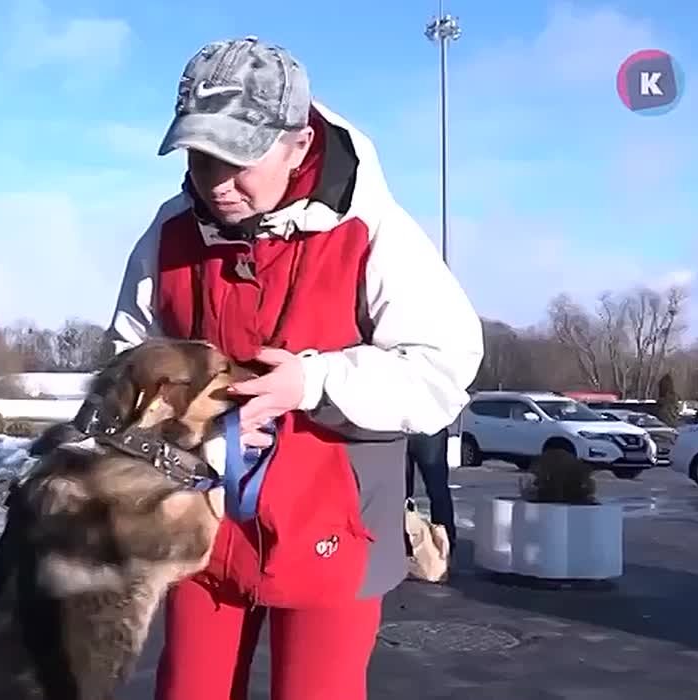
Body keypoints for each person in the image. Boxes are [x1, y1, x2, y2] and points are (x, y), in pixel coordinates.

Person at [105, 36, 483, 700]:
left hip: (336, 535)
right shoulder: (167, 238)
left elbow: (441, 371)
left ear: (299, 144)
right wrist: (180, 442)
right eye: (200, 159)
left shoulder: (371, 229)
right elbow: (122, 383)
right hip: (202, 537)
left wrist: (315, 382)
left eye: (240, 160)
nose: (218, 184)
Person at [405, 427, 457, 563]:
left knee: (401, 493)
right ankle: (444, 549)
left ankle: (405, 549)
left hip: (400, 427)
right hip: (429, 427)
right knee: (438, 491)